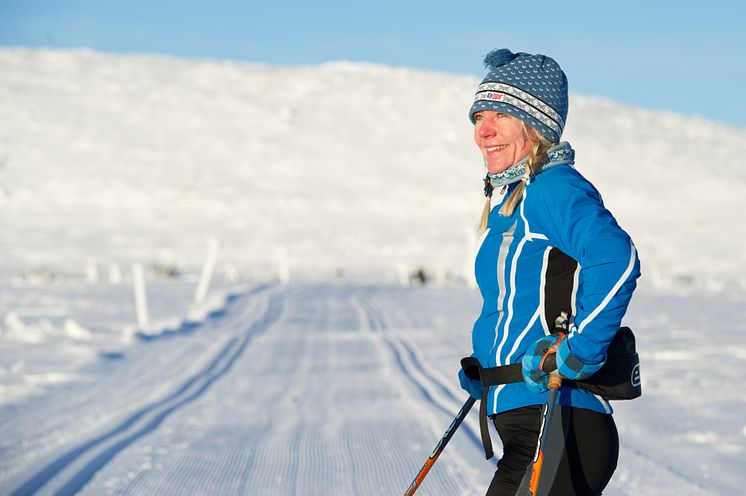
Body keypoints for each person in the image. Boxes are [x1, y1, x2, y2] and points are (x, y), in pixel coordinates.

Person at [457, 49, 641, 495]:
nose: (484, 130)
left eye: (500, 114)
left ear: (535, 124)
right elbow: (519, 303)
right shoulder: (512, 201)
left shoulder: (552, 188)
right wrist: (490, 368)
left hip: (559, 414)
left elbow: (617, 259)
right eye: (479, 115)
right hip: (526, 414)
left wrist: (580, 352)